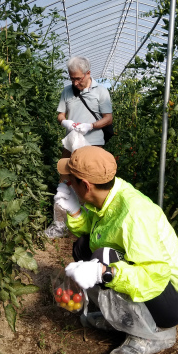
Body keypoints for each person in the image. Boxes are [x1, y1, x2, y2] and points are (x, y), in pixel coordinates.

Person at [54, 146, 178, 354]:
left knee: (102, 258)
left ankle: (150, 335)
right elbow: (95, 234)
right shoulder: (107, 197)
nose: (68, 185)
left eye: (71, 181)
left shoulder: (134, 213)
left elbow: (155, 275)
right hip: (155, 283)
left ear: (86, 185)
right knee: (83, 247)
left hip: (171, 299)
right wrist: (75, 212)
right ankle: (121, 320)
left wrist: (104, 272)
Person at [45, 56, 113, 239]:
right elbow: (60, 115)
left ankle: (94, 227)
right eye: (72, 78)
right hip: (70, 142)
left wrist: (91, 126)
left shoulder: (101, 92)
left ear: (88, 73)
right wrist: (66, 122)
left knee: (90, 183)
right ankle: (59, 225)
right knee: (64, 180)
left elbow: (108, 118)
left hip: (94, 144)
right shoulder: (67, 92)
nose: (75, 82)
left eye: (78, 78)